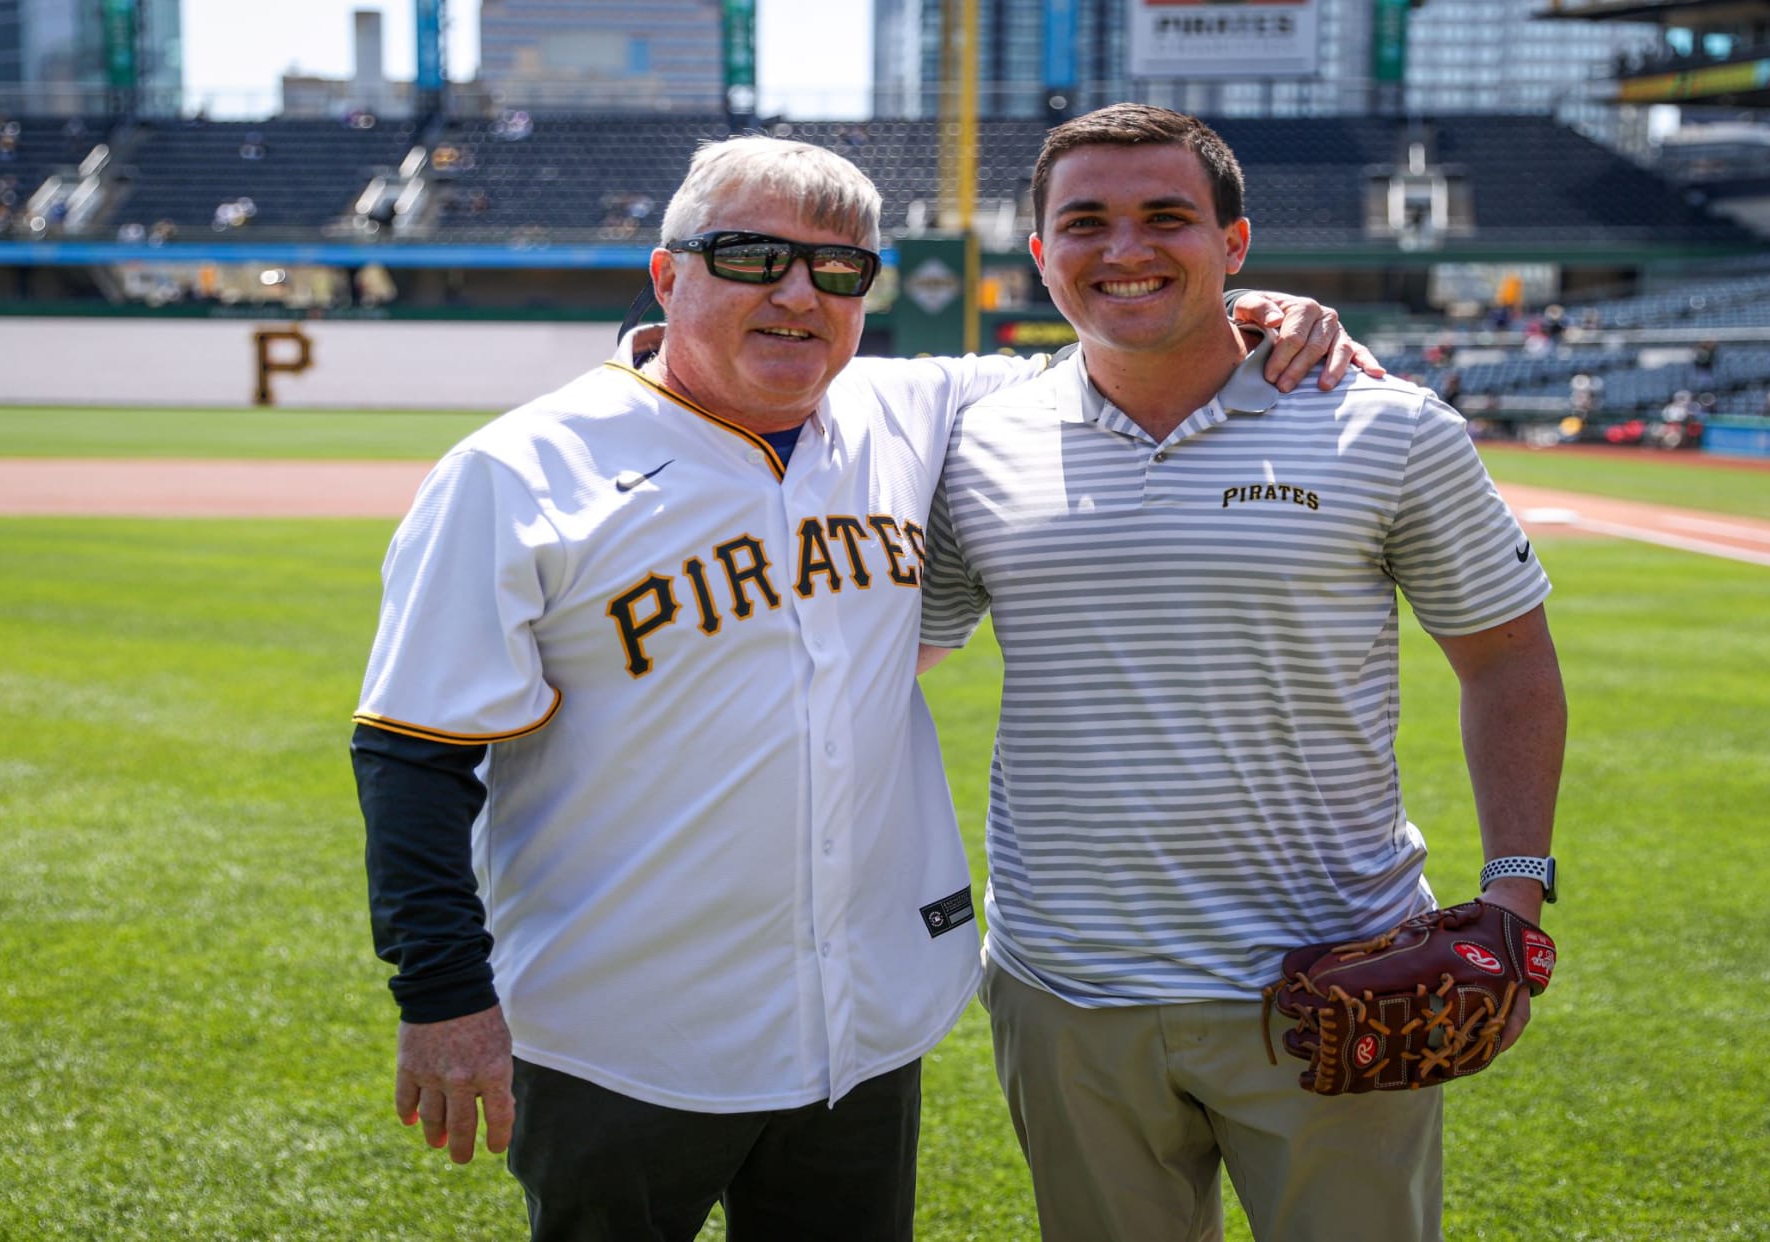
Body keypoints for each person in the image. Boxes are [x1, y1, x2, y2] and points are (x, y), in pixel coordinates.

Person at [350, 134, 1374, 1242]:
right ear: (667, 274)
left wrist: (1254, 304)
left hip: (862, 1029)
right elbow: (414, 754)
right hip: (623, 1032)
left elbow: (1125, 338)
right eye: (750, 258)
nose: (799, 294)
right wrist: (443, 998)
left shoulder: (914, 411)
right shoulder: (515, 473)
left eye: (840, 270)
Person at [917, 104, 1565, 1242]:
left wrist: (1514, 891)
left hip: (1336, 974)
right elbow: (893, 662)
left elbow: (1508, 658)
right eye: (1087, 223)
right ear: (1040, 255)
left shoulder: (1388, 427)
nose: (1125, 250)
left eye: (1167, 216)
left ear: (1236, 244)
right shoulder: (974, 442)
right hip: (1066, 990)